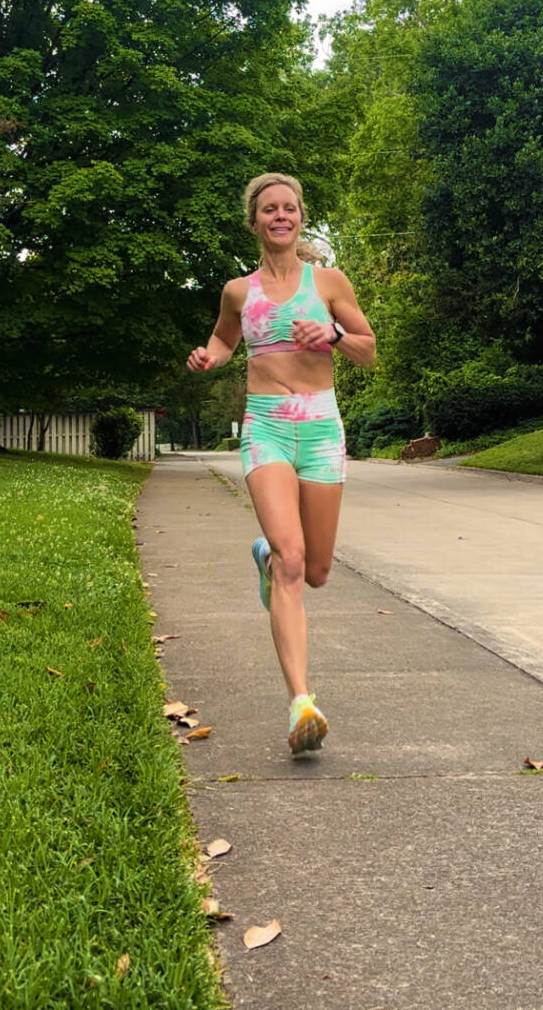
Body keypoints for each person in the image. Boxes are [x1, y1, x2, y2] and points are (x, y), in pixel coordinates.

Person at [186, 173, 375, 755]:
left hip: (320, 429)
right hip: (266, 427)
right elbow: (223, 340)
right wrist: (208, 358)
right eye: (269, 210)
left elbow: (368, 351)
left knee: (315, 570)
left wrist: (335, 332)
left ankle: (265, 554)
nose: (280, 217)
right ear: (255, 221)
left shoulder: (329, 281)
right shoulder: (238, 293)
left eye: (289, 208)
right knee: (293, 564)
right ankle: (301, 702)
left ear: (300, 217)